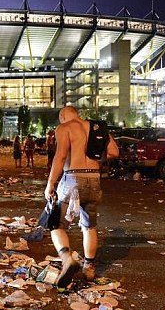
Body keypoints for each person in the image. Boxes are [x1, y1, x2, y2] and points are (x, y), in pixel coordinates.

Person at [44, 105, 119, 286]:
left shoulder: (65, 128)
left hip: (72, 178)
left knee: (55, 222)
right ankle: (89, 268)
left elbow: (60, 157)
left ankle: (66, 259)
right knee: (89, 226)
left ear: (63, 117)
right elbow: (114, 152)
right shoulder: (96, 128)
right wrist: (95, 159)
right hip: (94, 179)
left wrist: (50, 184)